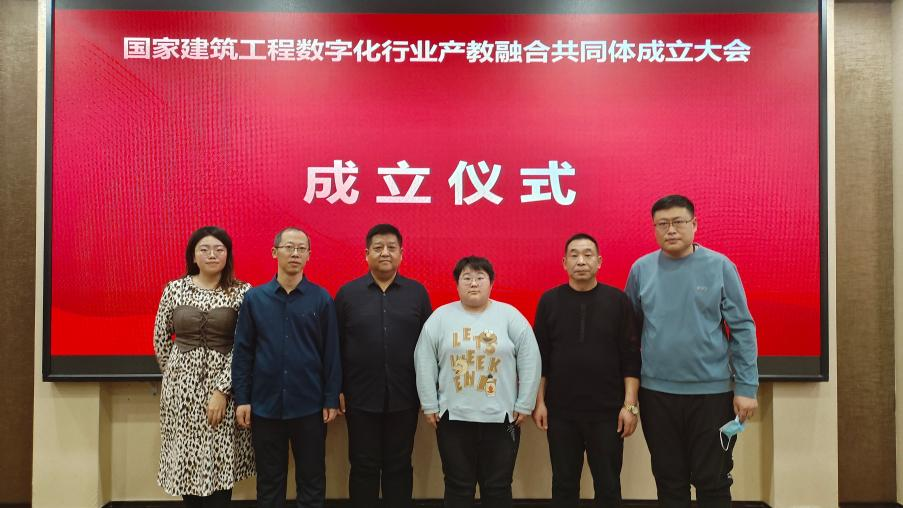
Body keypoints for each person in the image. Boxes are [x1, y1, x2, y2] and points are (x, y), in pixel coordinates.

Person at [624, 195, 759, 508]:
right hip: (657, 394)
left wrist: (746, 388)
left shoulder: (720, 266)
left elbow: (742, 328)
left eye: (678, 222)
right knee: (669, 481)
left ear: (695, 224)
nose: (670, 230)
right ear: (654, 228)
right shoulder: (641, 269)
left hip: (712, 394)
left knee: (713, 481)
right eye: (662, 224)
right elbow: (629, 334)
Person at [414, 256, 541, 508]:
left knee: (498, 486)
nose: (474, 283)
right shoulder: (441, 317)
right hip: (452, 418)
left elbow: (531, 358)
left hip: (503, 420)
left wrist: (525, 403)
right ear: (457, 284)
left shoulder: (510, 316)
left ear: (491, 283)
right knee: (458, 486)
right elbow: (424, 360)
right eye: (467, 278)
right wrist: (429, 404)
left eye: (480, 278)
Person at [231, 227, 341, 508]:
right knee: (269, 483)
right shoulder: (255, 299)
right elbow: (243, 352)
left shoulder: (321, 299)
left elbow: (331, 354)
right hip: (265, 405)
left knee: (312, 480)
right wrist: (242, 398)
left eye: (301, 249)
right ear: (274, 252)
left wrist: (330, 397)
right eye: (289, 247)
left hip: (310, 406)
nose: (295, 253)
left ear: (309, 256)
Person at [532, 233, 641, 508]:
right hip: (560, 412)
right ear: (564, 262)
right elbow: (541, 358)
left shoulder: (618, 301)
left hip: (607, 413)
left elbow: (631, 357)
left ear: (599, 261)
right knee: (563, 484)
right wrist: (539, 402)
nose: (581, 261)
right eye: (574, 255)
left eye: (588, 254)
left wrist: (630, 406)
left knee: (608, 485)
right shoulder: (549, 301)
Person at [152, 226, 254, 508]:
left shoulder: (242, 292)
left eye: (219, 249)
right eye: (204, 249)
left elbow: (245, 345)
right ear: (193, 256)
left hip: (224, 389)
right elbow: (160, 338)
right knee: (187, 462)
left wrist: (222, 389)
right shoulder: (175, 289)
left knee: (220, 462)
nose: (212, 255)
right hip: (180, 393)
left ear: (227, 255)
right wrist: (176, 376)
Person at [335, 224, 432, 508]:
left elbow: (429, 348)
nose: (385, 253)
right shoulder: (348, 294)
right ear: (366, 254)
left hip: (405, 396)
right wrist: (336, 389)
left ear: (402, 254)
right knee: (362, 464)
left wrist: (429, 393)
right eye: (378, 248)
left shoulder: (417, 293)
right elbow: (335, 346)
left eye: (391, 247)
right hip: (359, 397)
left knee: (399, 465)